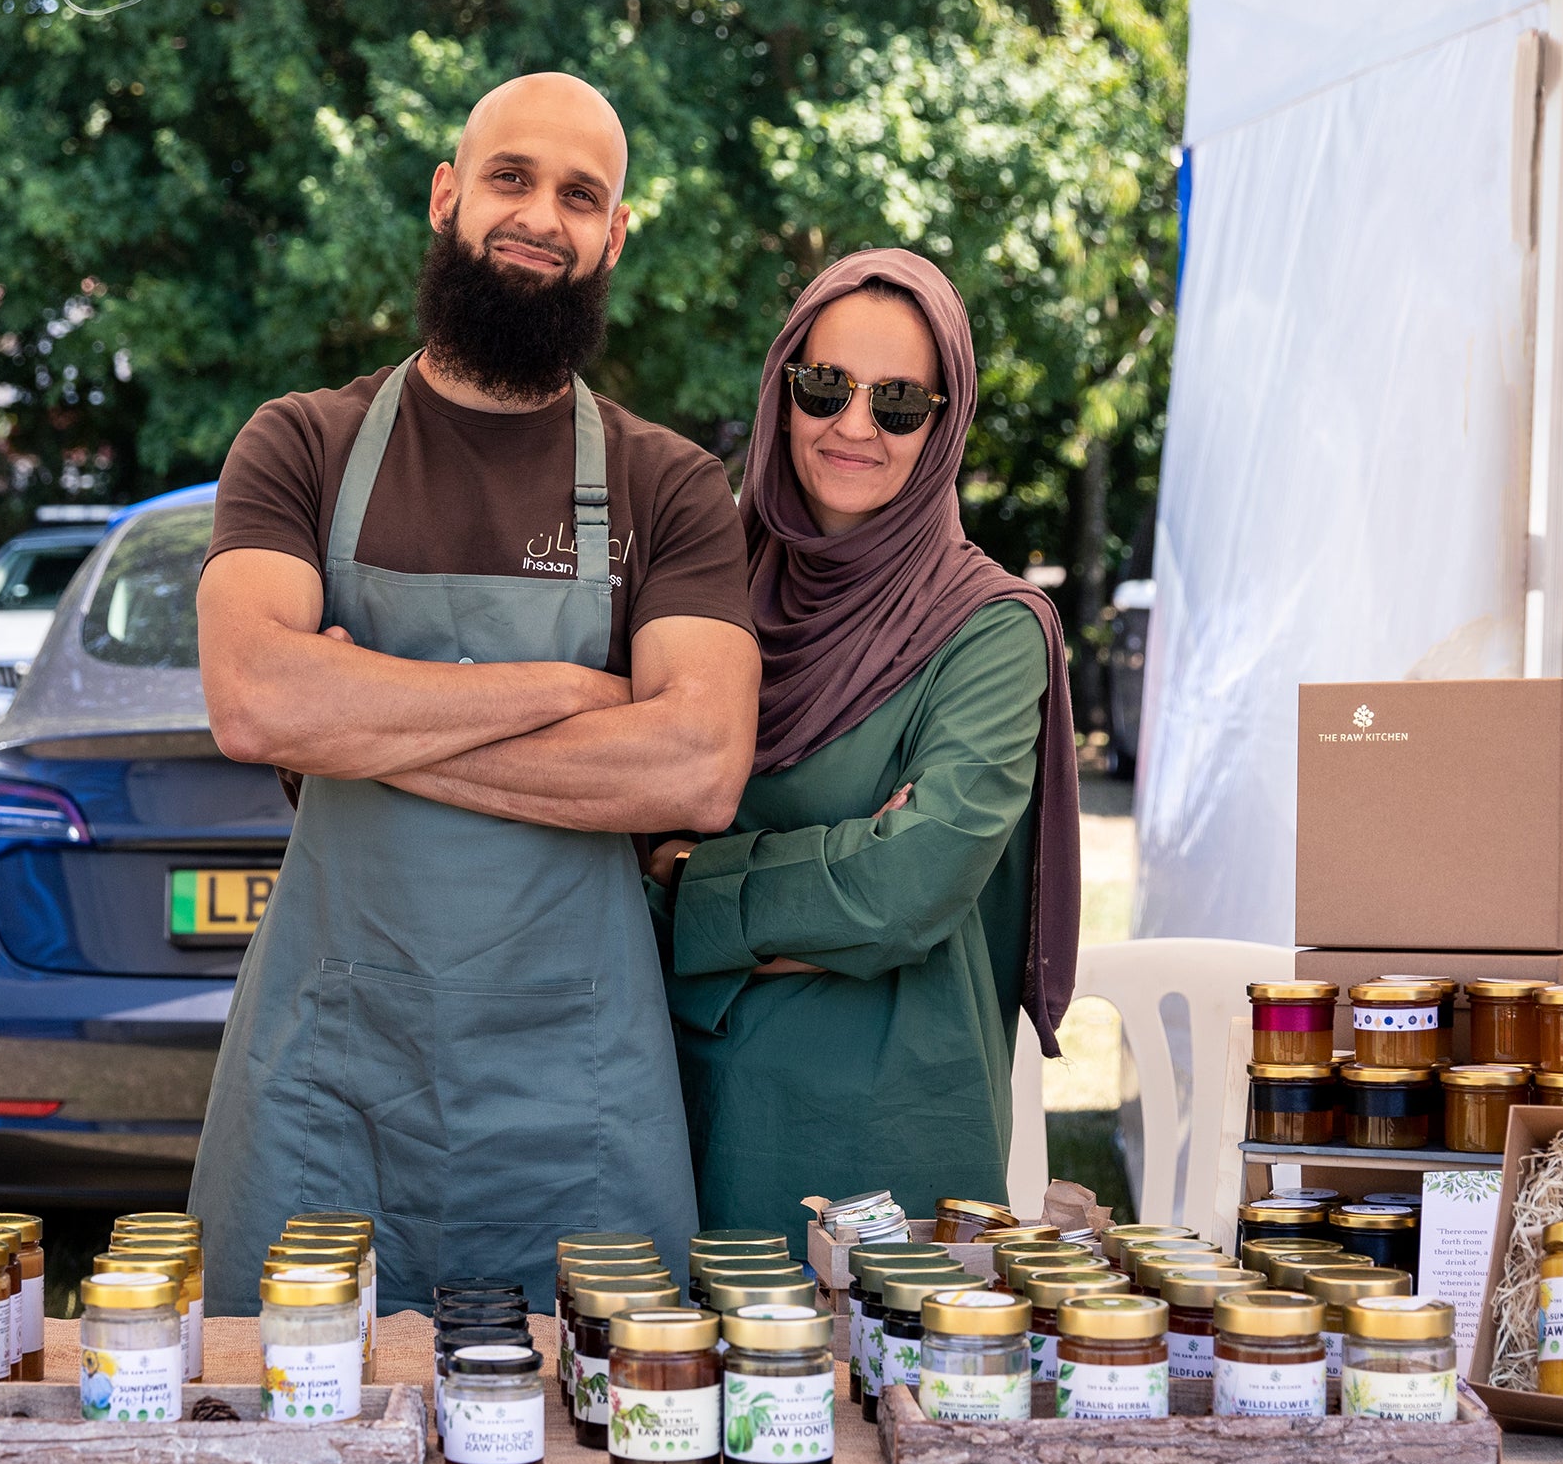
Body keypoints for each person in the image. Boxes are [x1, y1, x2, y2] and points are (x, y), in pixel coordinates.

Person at [190, 73, 759, 1312]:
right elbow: (251, 698)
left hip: (579, 1089)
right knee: (294, 1443)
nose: (540, 216)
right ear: (448, 195)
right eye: (510, 177)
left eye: (579, 193)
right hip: (331, 1077)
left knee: (596, 1452)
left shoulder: (670, 486)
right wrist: (566, 687)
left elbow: (697, 766)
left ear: (615, 233)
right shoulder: (301, 443)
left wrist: (359, 718)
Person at [644, 249, 1081, 1238]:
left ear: (943, 422)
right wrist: (827, 879)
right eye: (824, 386)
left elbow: (905, 889)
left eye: (896, 403)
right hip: (677, 1105)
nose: (852, 426)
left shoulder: (991, 629)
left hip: (890, 1133)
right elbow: (614, 851)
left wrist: (694, 879)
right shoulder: (699, 595)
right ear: (780, 389)